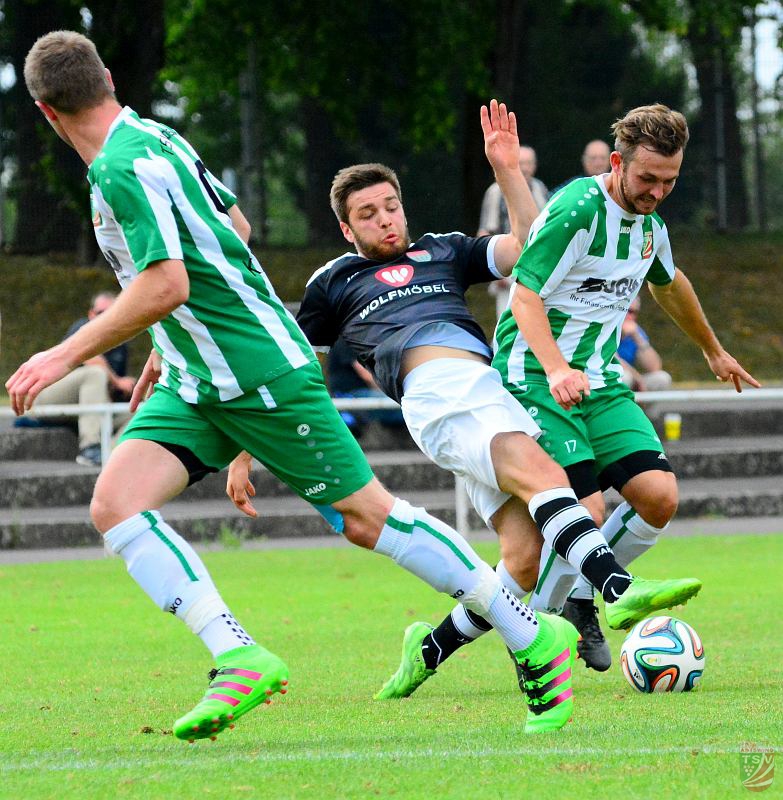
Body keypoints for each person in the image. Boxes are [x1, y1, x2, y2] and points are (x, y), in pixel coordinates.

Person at [10, 33, 580, 743]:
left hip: (256, 370)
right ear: (109, 79)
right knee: (116, 505)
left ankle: (528, 635)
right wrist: (170, 336)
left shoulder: (122, 170)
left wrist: (61, 355)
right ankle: (236, 655)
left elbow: (167, 281)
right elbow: (232, 229)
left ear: (43, 111)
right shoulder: (155, 139)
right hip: (196, 375)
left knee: (366, 517)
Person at [235, 100, 704, 708]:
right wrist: (245, 454)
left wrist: (508, 171)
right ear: (347, 230)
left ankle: (428, 651)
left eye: (391, 206)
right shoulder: (334, 281)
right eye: (367, 215)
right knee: (554, 483)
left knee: (525, 558)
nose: (385, 220)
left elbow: (527, 248)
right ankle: (615, 586)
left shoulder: (443, 250)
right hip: (436, 397)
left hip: (485, 392)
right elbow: (285, 366)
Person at [19, 290, 136, 466]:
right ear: (91, 314)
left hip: (87, 408)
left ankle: (109, 454)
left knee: (138, 409)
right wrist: (118, 381)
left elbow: (113, 388)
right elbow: (90, 359)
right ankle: (90, 447)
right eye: (100, 313)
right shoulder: (82, 327)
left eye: (111, 313)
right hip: (48, 397)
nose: (105, 317)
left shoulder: (121, 344)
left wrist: (128, 388)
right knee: (96, 374)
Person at [478, 144, 549, 317]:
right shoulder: (496, 191)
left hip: (535, 264)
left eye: (529, 163)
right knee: (507, 317)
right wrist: (495, 271)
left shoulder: (540, 188)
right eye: (521, 163)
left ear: (535, 165)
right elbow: (485, 231)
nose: (525, 168)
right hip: (507, 266)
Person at [326, 336, 405, 438]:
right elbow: (366, 375)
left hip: (364, 391)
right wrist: (393, 390)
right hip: (351, 394)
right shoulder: (346, 339)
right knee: (404, 403)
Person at [617, 295, 672, 392]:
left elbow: (655, 367)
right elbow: (612, 361)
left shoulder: (635, 331)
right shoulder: (604, 328)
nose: (630, 316)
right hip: (605, 380)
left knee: (662, 378)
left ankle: (641, 408)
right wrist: (638, 378)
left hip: (632, 380)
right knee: (623, 376)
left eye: (634, 312)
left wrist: (637, 338)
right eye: (627, 310)